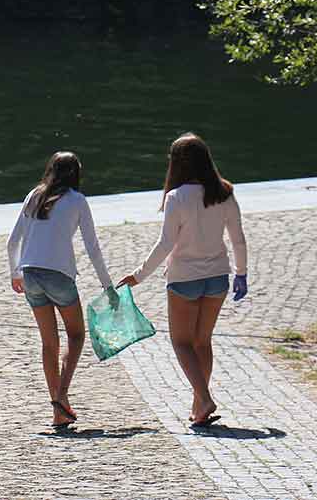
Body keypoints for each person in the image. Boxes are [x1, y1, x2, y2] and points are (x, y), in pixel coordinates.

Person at [117, 133, 248, 428]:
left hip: (184, 279)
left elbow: (165, 244)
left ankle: (204, 397)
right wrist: (242, 273)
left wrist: (138, 275)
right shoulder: (225, 192)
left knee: (181, 342)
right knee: (203, 342)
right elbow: (238, 239)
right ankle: (198, 406)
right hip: (218, 277)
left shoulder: (176, 198)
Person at [7, 151, 118, 428]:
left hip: (30, 274)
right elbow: (92, 247)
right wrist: (108, 286)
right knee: (77, 335)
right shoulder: (77, 201)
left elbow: (12, 241)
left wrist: (14, 273)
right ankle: (62, 395)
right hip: (59, 276)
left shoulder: (34, 195)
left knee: (49, 343)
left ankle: (58, 410)